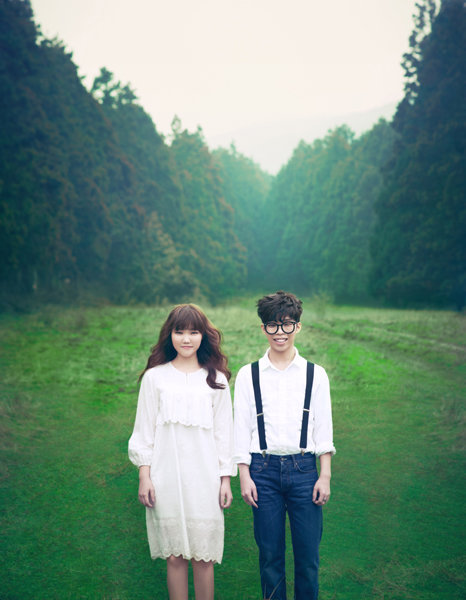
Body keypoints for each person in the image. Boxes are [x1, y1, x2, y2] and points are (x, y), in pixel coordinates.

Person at [128, 304, 236, 600]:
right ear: (170, 335)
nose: (186, 339)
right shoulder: (155, 378)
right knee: (175, 556)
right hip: (165, 478)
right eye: (180, 332)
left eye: (193, 332)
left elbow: (224, 435)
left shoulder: (217, 380)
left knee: (203, 557)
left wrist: (225, 480)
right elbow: (144, 432)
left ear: (203, 336)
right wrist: (144, 477)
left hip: (206, 480)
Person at [234, 290, 335, 600]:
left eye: (287, 324)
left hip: (304, 470)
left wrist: (325, 475)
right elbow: (241, 429)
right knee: (270, 557)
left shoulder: (315, 374)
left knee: (308, 558)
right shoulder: (248, 375)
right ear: (263, 328)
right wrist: (244, 474)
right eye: (273, 325)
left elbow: (323, 428)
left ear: (298, 327)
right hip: (262, 471)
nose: (280, 332)